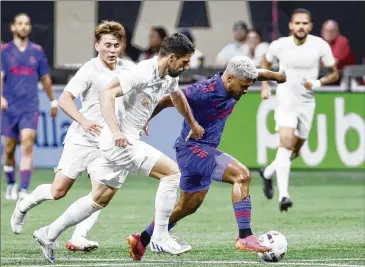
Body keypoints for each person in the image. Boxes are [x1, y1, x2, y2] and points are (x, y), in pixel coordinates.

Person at [31, 33, 205, 264]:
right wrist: (115, 131)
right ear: (172, 57)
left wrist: (192, 123)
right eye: (184, 62)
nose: (187, 67)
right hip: (119, 141)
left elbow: (176, 96)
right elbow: (107, 93)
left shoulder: (167, 74)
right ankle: (160, 236)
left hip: (123, 140)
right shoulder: (143, 71)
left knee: (99, 198)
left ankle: (48, 233)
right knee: (172, 174)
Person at [127, 56, 287, 261]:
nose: (246, 90)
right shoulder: (204, 91)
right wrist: (143, 120)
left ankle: (142, 239)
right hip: (192, 149)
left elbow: (258, 73)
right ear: (229, 79)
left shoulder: (239, 78)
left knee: (187, 207)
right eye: (244, 86)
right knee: (242, 175)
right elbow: (168, 99)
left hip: (202, 149)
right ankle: (245, 235)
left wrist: (279, 76)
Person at [11, 21, 135, 252]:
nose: (112, 50)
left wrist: (141, 120)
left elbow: (136, 97)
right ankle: (24, 204)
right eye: (107, 45)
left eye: (116, 45)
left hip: (108, 141)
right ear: (97, 45)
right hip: (83, 138)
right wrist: (84, 121)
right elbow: (65, 99)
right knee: (58, 191)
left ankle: (79, 236)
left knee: (101, 193)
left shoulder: (127, 69)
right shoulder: (89, 69)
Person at [259, 8, 339, 211]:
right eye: (297, 23)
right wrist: (266, 86)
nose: (301, 27)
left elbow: (334, 74)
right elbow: (265, 63)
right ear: (291, 25)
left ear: (310, 26)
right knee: (285, 144)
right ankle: (284, 196)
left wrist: (318, 83)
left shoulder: (320, 46)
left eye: (305, 23)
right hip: (285, 99)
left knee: (295, 151)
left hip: (307, 103)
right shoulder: (279, 45)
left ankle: (268, 173)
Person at [1, 13, 58, 200]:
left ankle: (24, 190)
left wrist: (53, 101)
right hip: (9, 107)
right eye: (20, 23)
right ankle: (11, 184)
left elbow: (45, 78)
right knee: (9, 149)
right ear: (13, 27)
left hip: (29, 106)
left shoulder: (37, 51)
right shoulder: (4, 51)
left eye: (27, 23)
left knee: (27, 145)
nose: (24, 26)